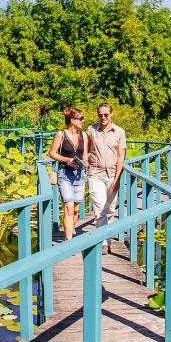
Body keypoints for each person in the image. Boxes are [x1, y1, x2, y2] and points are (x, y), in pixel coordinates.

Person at [87, 103, 126, 254]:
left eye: (106, 115)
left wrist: (117, 179)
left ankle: (107, 238)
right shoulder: (91, 130)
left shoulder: (119, 132)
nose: (103, 117)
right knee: (99, 208)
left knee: (110, 209)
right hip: (95, 173)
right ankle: (103, 242)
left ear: (111, 114)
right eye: (100, 115)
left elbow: (121, 157)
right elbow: (85, 148)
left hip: (112, 174)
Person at [48, 107, 88, 240]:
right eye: (80, 118)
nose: (83, 120)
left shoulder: (84, 136)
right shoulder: (61, 134)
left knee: (76, 209)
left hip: (79, 175)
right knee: (68, 207)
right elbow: (52, 153)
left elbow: (85, 156)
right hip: (65, 174)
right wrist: (67, 160)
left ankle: (68, 235)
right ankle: (69, 242)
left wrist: (85, 163)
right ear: (72, 120)